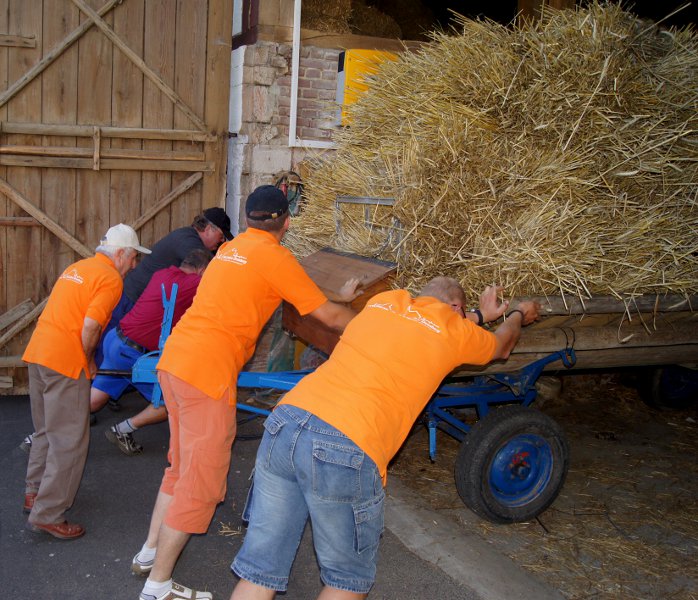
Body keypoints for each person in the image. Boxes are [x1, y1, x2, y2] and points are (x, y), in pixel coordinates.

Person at [228, 278, 541, 600]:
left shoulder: (386, 301)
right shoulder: (456, 332)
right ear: (456, 309)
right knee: (345, 580)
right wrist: (517, 312)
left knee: (260, 569)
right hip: (346, 440)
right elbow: (501, 346)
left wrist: (477, 314)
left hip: (288, 419)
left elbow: (430, 319)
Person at [132, 185, 362, 600]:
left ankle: (150, 553)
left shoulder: (231, 252)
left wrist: (332, 296)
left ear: (248, 218)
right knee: (201, 483)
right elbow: (326, 316)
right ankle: (158, 586)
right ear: (286, 222)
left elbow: (290, 288)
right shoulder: (275, 256)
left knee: (180, 467)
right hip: (207, 374)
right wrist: (373, 325)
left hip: (177, 362)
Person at [22, 224, 150, 540]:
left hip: (38, 353)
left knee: (46, 431)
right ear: (120, 254)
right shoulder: (109, 279)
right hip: (65, 363)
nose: (133, 265)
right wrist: (89, 360)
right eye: (133, 258)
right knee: (69, 442)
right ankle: (49, 513)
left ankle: (34, 493)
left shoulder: (78, 268)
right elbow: (91, 326)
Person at [90, 248, 212, 455]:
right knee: (171, 403)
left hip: (115, 340)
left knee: (93, 401)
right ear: (202, 271)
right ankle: (123, 430)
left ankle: (43, 434)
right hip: (131, 352)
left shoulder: (163, 274)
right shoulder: (194, 283)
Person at [96, 207, 232, 366]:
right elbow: (213, 271)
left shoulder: (185, 236)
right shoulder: (189, 241)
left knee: (115, 352)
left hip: (137, 298)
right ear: (209, 229)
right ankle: (91, 378)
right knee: (111, 352)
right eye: (221, 236)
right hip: (131, 298)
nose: (221, 242)